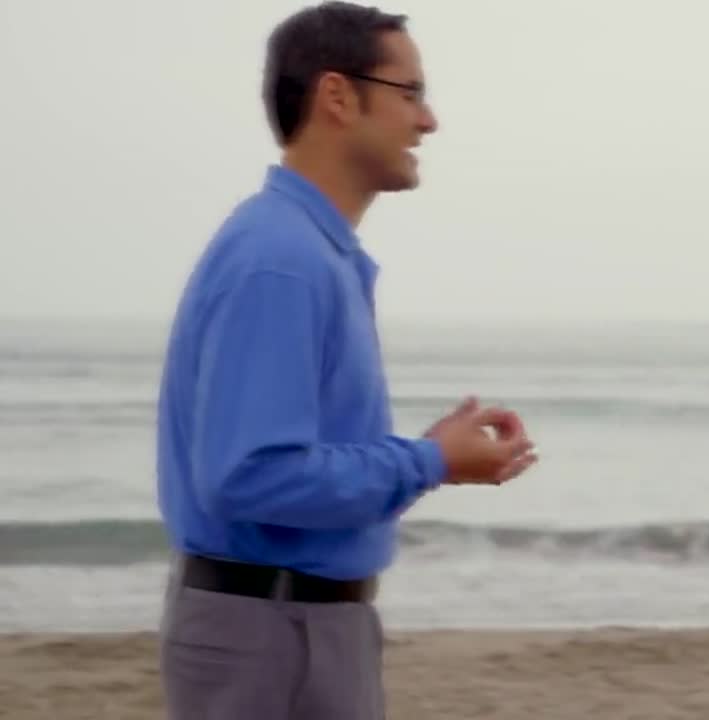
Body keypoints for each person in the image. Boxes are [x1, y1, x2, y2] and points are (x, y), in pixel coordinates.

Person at [153, 3, 537, 718]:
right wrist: (429, 462)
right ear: (337, 96)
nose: (428, 121)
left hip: (297, 624)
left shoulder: (306, 251)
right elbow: (250, 475)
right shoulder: (281, 260)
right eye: (410, 92)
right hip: (273, 632)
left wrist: (428, 455)